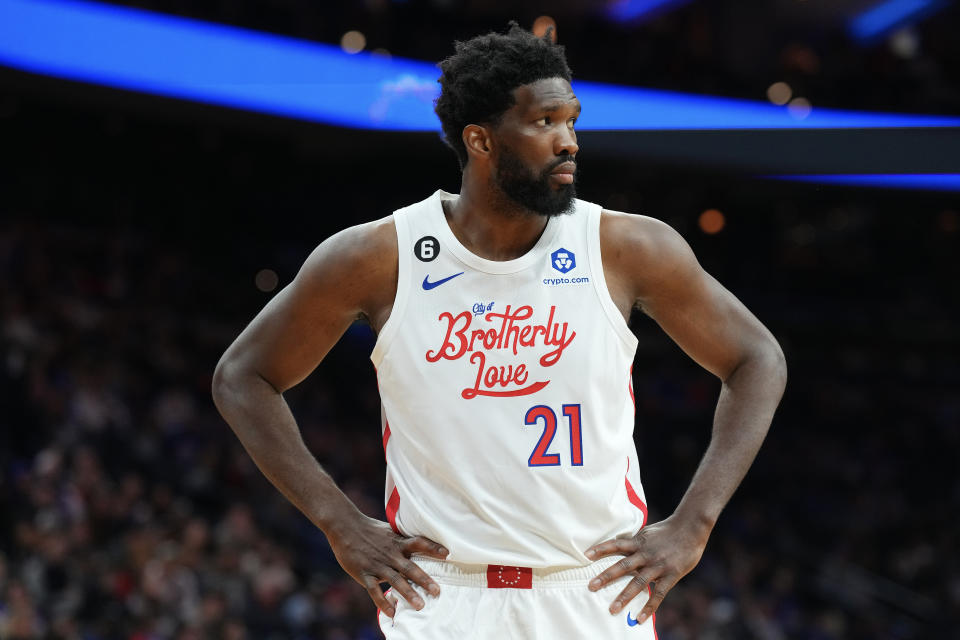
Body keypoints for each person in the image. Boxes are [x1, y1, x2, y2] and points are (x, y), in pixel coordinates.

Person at [212, 23, 787, 639]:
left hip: (590, 591)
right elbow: (242, 377)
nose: (568, 142)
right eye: (544, 123)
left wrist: (693, 524)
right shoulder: (380, 257)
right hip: (443, 595)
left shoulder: (626, 247)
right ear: (480, 139)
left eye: (572, 121)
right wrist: (337, 522)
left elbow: (757, 357)